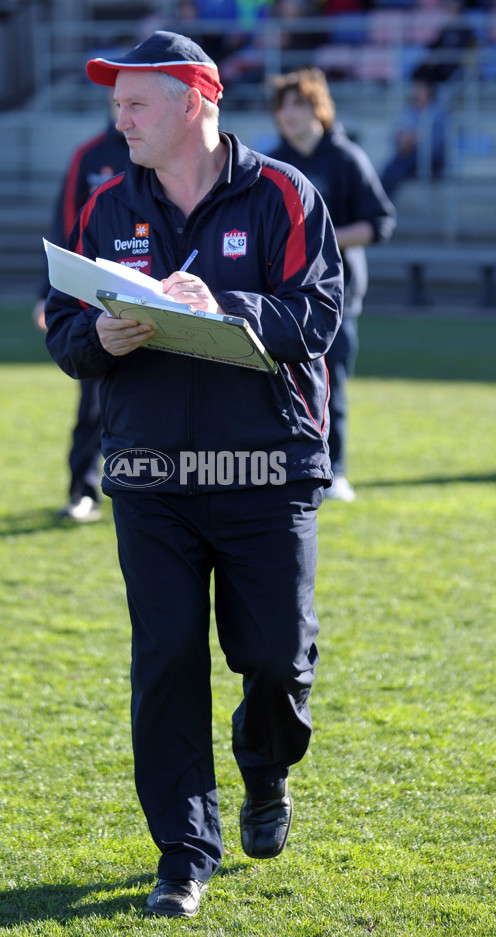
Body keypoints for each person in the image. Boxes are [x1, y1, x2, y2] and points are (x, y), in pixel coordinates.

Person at [44, 30, 343, 918]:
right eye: (115, 104)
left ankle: (264, 770)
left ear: (194, 100)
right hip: (148, 479)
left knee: (275, 658)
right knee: (167, 659)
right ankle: (183, 853)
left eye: (136, 103)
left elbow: (318, 316)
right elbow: (65, 332)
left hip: (268, 470)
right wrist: (96, 336)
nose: (119, 119)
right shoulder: (105, 207)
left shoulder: (286, 193)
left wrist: (228, 306)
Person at [267, 67, 395, 501]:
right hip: (279, 296)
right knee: (278, 383)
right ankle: (284, 462)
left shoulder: (346, 158)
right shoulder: (271, 163)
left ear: (318, 109)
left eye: (298, 104)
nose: (288, 115)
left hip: (335, 296)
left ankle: (333, 468)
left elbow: (380, 223)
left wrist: (321, 238)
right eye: (282, 106)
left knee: (330, 384)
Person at [33, 111, 128, 521]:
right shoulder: (88, 155)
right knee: (91, 400)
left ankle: (145, 488)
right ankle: (83, 488)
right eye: (119, 97)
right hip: (95, 299)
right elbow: (64, 229)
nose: (126, 108)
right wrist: (47, 293)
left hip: (155, 301)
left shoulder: (166, 153)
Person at [379, 76, 448, 199]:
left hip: (432, 159)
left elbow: (438, 142)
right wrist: (405, 139)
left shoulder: (438, 112)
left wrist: (416, 140)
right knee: (391, 166)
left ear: (429, 92)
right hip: (408, 154)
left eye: (421, 90)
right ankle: (380, 199)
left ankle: (383, 201)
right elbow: (398, 134)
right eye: (416, 89)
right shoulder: (409, 111)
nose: (416, 92)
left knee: (399, 165)